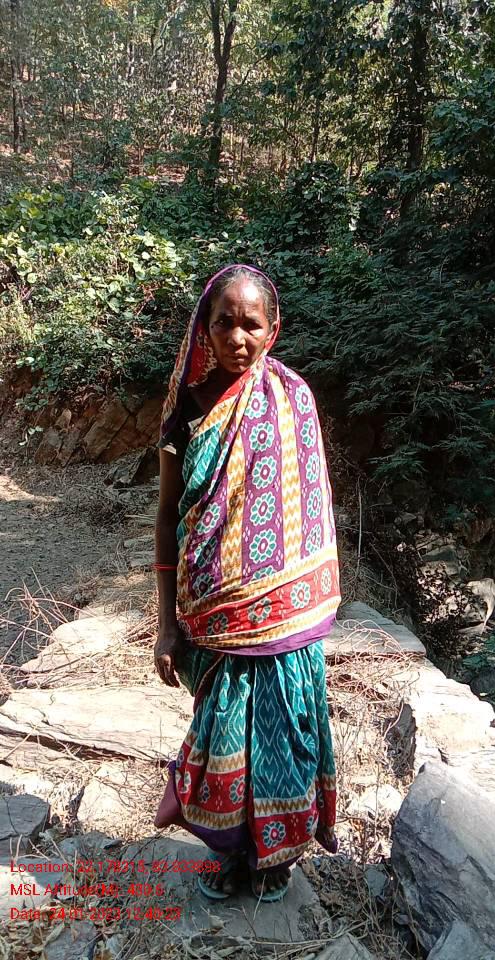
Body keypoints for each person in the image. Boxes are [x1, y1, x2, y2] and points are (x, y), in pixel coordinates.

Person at [153, 263, 341, 903]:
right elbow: (168, 515)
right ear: (203, 330)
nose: (237, 337)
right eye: (223, 323)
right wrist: (166, 623)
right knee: (224, 733)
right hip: (213, 612)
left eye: (251, 324)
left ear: (273, 329)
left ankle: (275, 858)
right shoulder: (187, 410)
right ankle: (232, 851)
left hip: (284, 618)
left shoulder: (292, 399)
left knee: (283, 732)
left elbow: (307, 510)